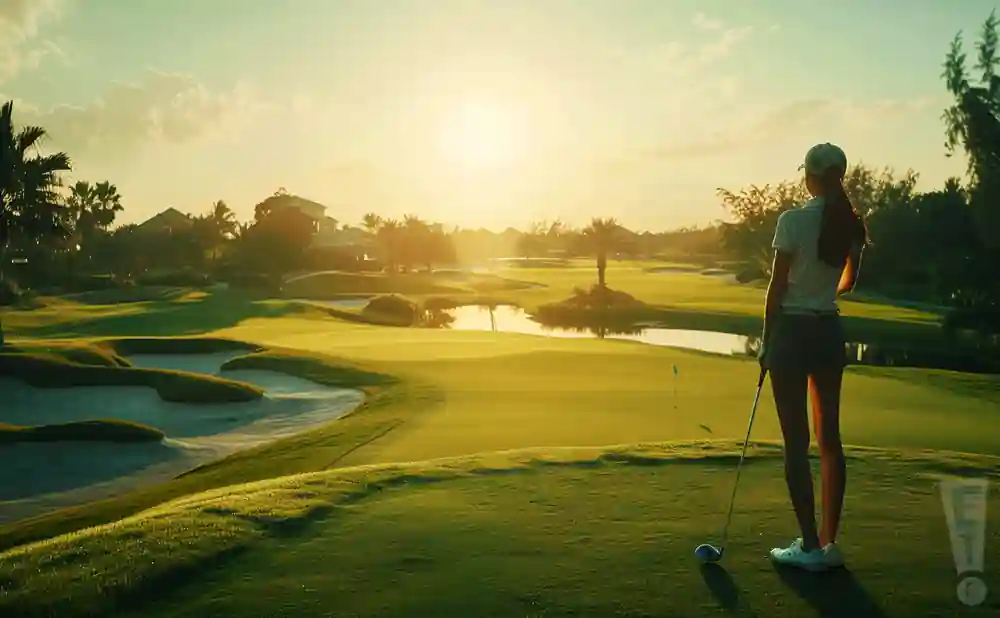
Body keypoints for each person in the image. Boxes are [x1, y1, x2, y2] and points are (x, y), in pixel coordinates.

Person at [757, 142, 868, 572]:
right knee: (830, 441)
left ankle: (807, 546)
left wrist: (767, 342)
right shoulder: (851, 224)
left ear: (810, 176)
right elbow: (849, 283)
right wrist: (821, 291)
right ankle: (828, 543)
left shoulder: (792, 221)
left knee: (795, 443)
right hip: (827, 330)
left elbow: (776, 287)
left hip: (791, 331)